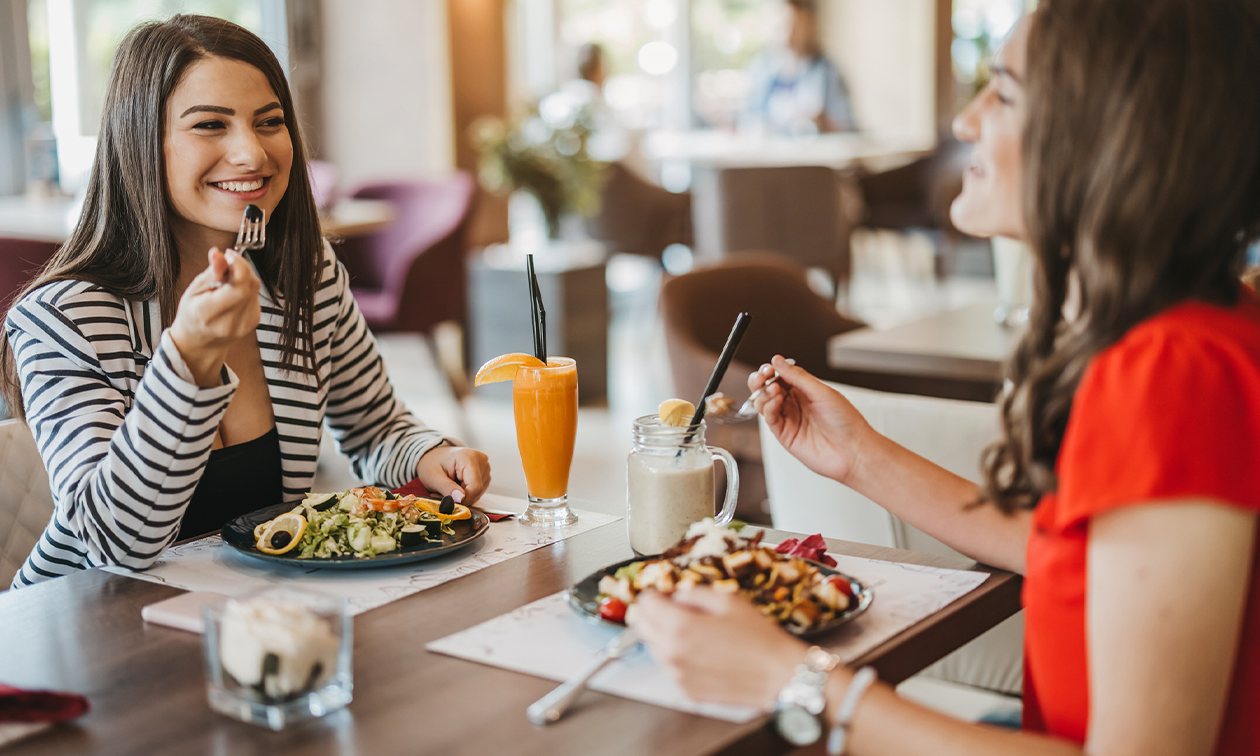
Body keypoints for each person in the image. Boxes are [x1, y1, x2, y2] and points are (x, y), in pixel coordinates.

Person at [635, 1, 1260, 754]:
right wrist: (859, 456)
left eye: (1003, 91)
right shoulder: (1196, 326)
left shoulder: (1170, 372)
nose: (967, 121)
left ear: (1102, 135)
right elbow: (1073, 554)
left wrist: (793, 678)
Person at [1, 15, 491, 589]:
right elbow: (113, 542)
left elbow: (374, 425)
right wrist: (188, 361)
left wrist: (425, 454)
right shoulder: (62, 318)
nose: (251, 153)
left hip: (250, 613)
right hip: (86, 629)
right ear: (137, 142)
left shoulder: (302, 276)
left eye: (269, 122)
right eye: (210, 124)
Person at [741, 0, 856, 136]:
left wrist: (822, 122)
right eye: (784, 25)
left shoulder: (828, 71)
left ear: (810, 26)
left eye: (795, 26)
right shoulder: (761, 69)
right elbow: (745, 120)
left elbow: (848, 129)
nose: (788, 34)